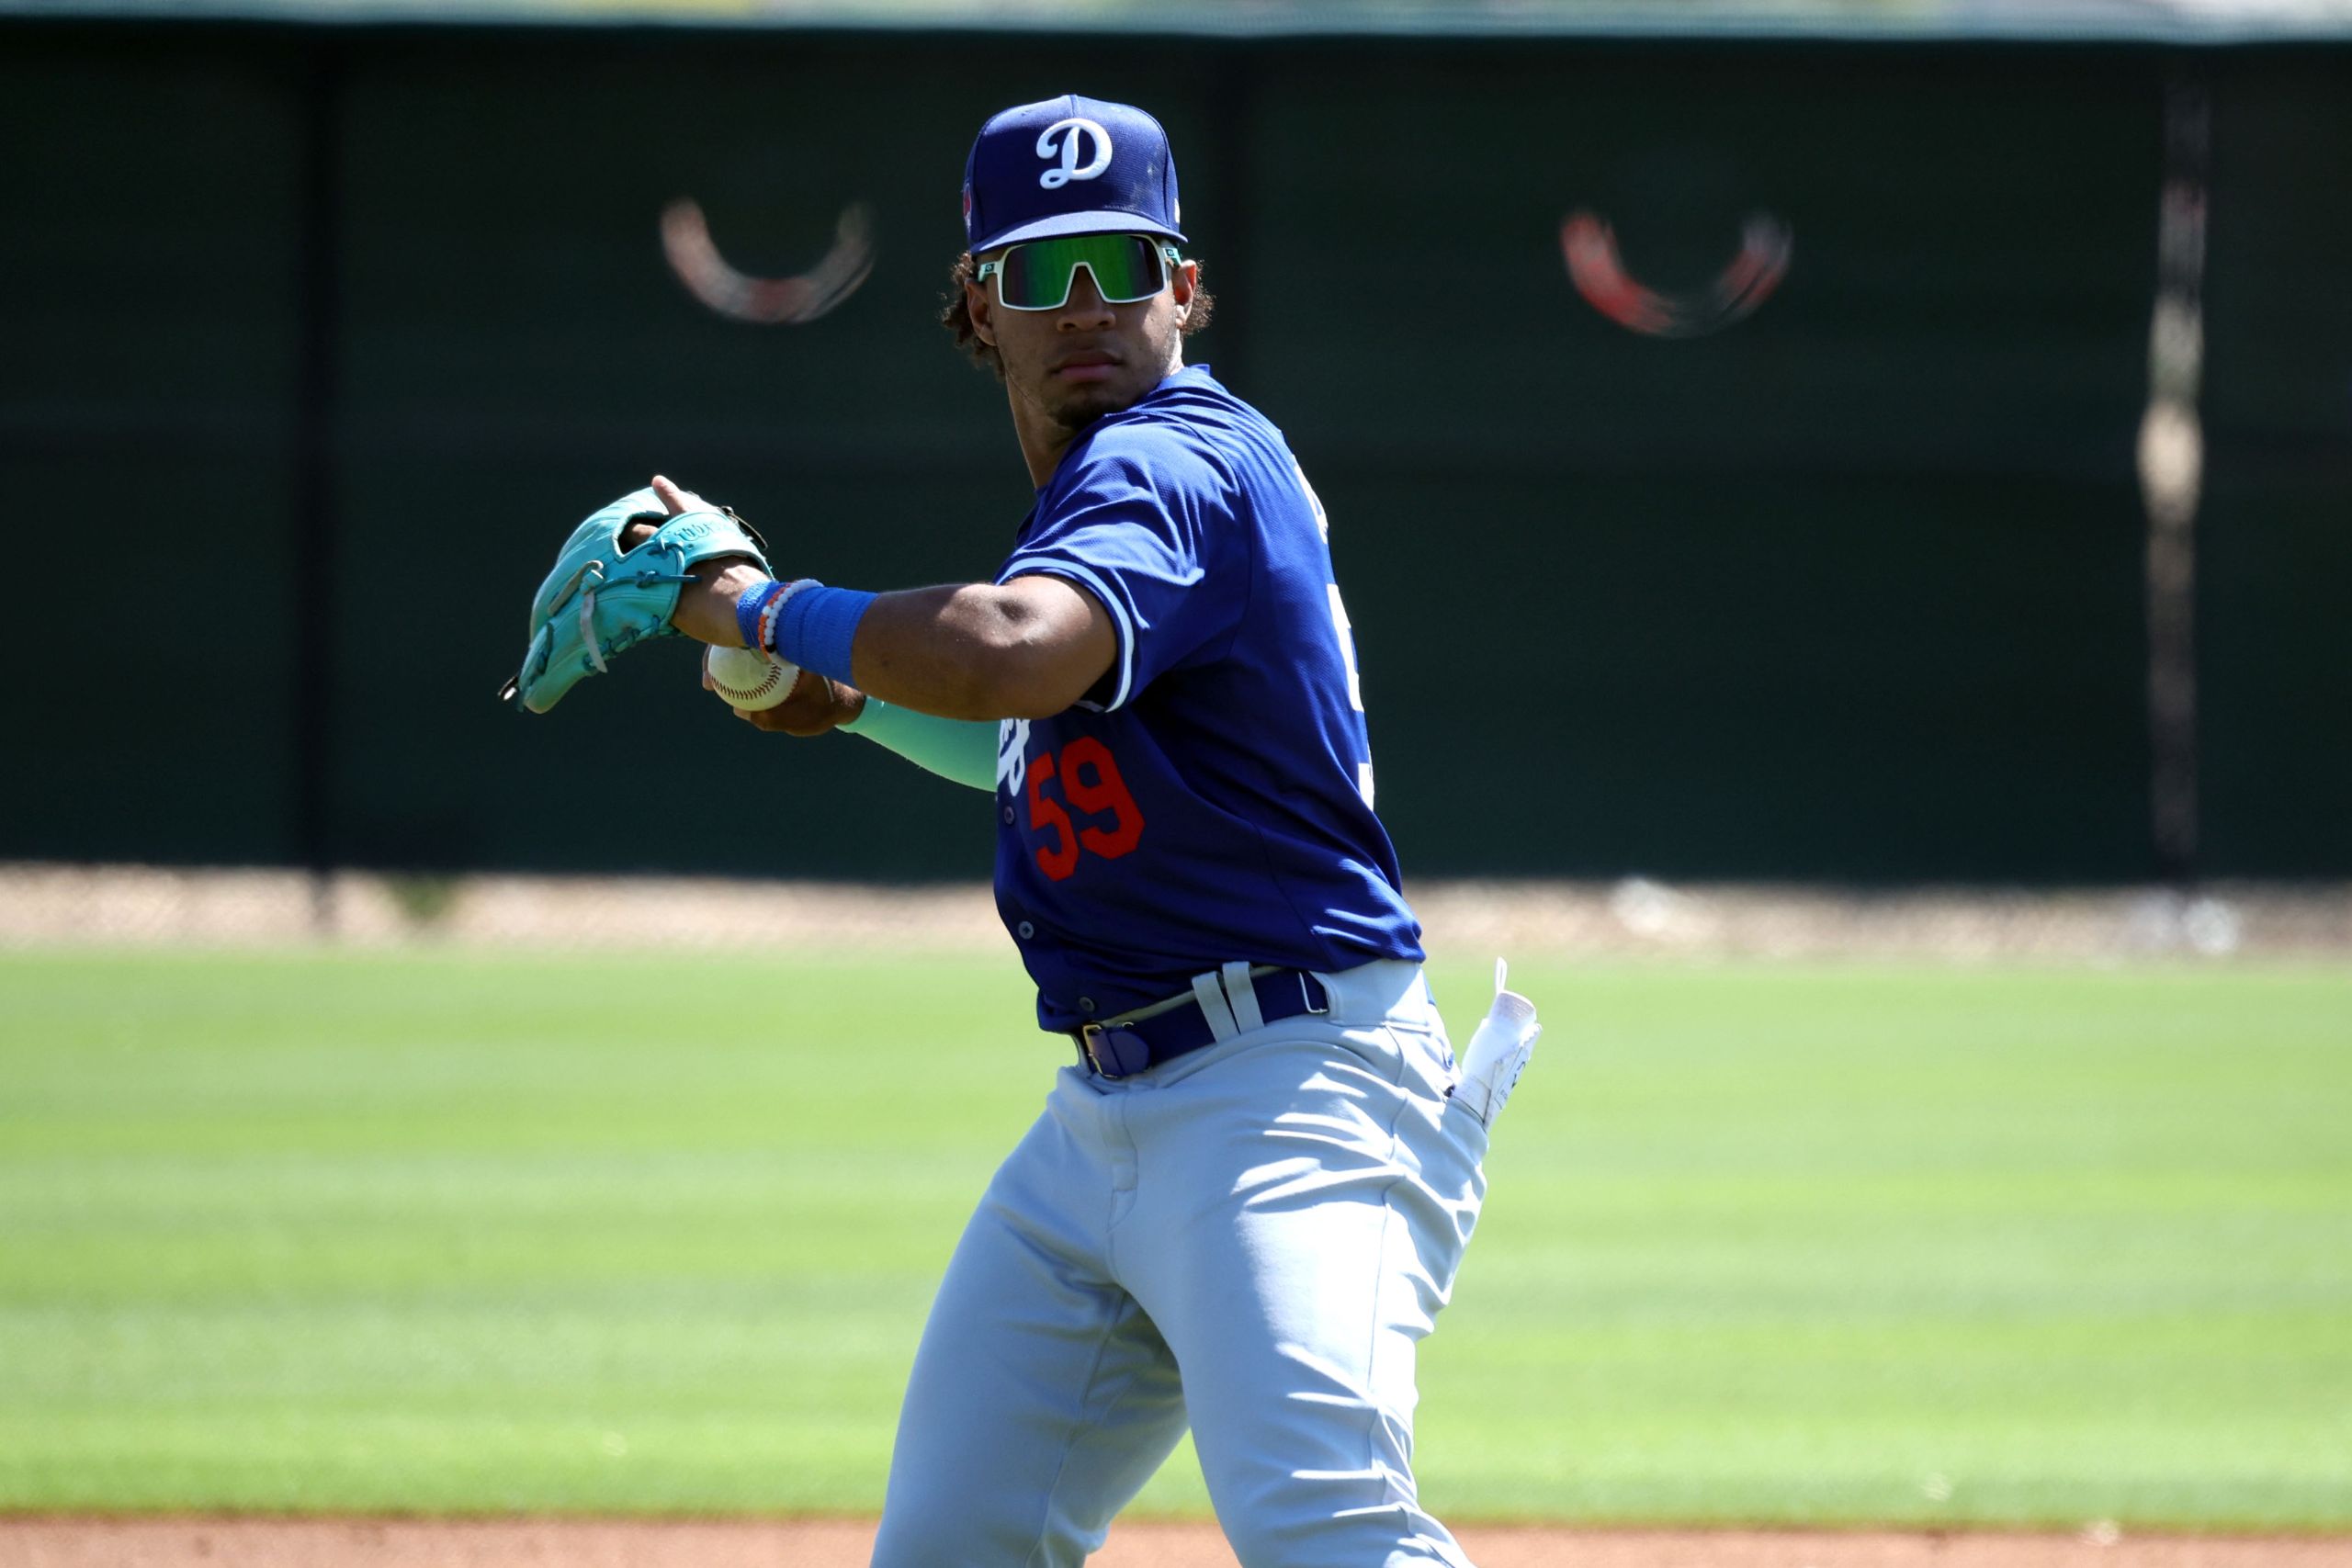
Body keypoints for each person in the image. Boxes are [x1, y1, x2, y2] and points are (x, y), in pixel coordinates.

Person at [650, 94, 1494, 1568]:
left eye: (1122, 263)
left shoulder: (1173, 462)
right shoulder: (1108, 499)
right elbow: (1025, 736)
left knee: (1330, 1532)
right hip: (1108, 1119)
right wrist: (841, 699)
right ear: (982, 306)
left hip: (1286, 1097)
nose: (1086, 303)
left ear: (1183, 285)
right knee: (955, 1545)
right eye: (1041, 272)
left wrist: (751, 607)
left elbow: (999, 655)